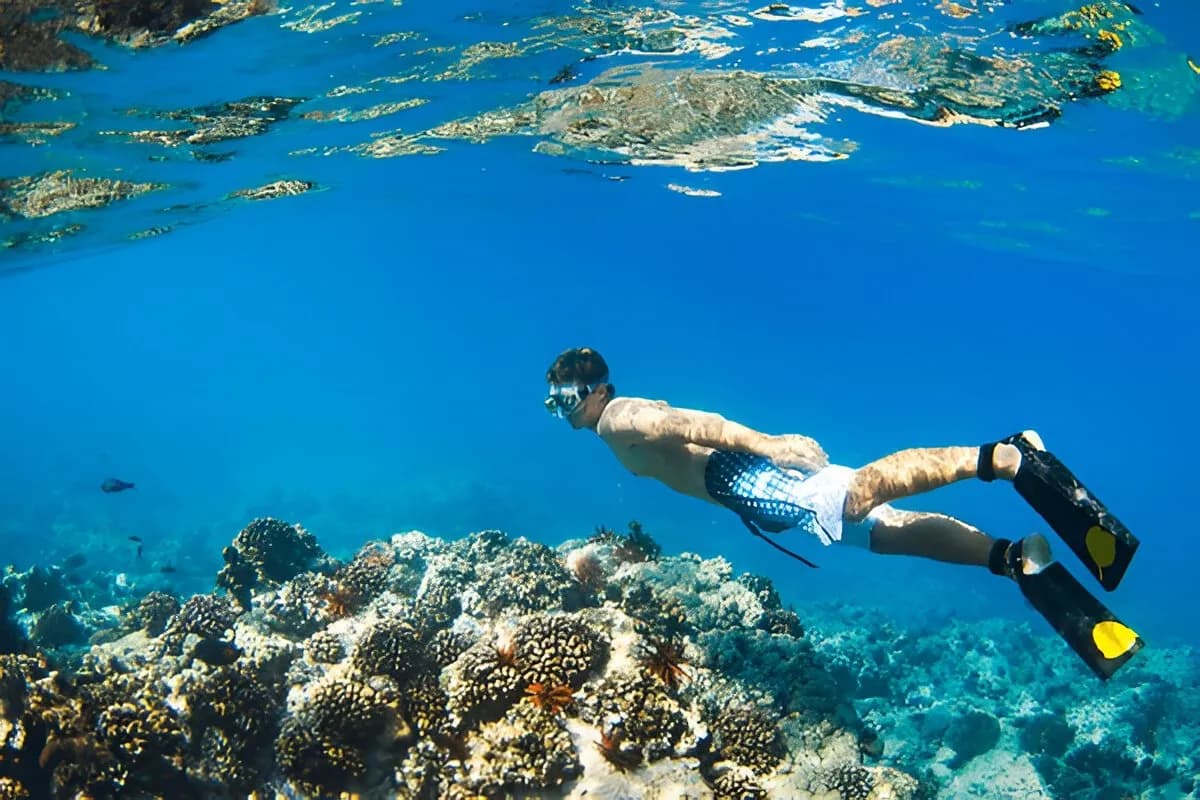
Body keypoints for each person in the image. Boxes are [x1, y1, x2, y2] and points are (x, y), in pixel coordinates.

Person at [543, 347, 1145, 679]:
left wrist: (769, 446)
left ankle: (1003, 458)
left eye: (566, 398)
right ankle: (1010, 558)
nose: (562, 410)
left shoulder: (618, 417)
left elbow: (692, 424)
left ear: (598, 391)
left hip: (746, 479)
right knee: (883, 533)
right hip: (745, 490)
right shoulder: (613, 421)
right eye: (553, 403)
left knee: (859, 494)